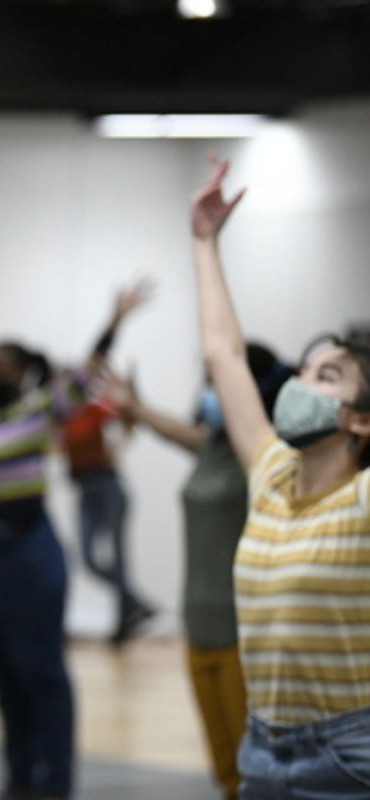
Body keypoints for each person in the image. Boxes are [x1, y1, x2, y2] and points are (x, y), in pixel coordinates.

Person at [0, 282, 150, 800]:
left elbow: (88, 372)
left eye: (2, 362)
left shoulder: (44, 409)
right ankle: (20, 773)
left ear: (23, 373)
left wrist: (114, 320)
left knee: (41, 673)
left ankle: (55, 781)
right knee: (1, 672)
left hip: (31, 560)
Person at [188, 154, 370, 799]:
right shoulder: (270, 474)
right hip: (262, 751)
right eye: (303, 370)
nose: (301, 383)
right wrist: (205, 242)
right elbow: (224, 354)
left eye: (329, 376)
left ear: (360, 420)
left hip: (351, 754)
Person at [104, 345, 290, 800]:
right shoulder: (211, 445)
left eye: (219, 381)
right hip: (198, 626)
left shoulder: (266, 458)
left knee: (256, 772)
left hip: (243, 633)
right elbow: (173, 430)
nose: (210, 391)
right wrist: (136, 407)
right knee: (224, 768)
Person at [60, 385, 155, 645]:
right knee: (89, 558)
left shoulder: (95, 410)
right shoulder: (60, 417)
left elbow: (129, 419)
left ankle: (124, 620)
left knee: (118, 558)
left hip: (107, 485)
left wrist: (118, 445)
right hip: (84, 489)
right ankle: (136, 603)